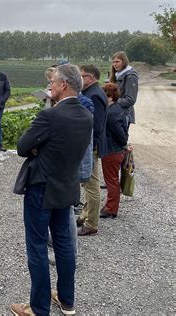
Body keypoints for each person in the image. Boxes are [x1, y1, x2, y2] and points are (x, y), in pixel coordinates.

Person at [11, 64, 93, 316]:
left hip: (41, 189)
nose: (50, 86)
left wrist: (39, 147)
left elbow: (23, 146)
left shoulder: (51, 116)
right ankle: (67, 302)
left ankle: (38, 308)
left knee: (36, 246)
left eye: (54, 82)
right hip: (67, 187)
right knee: (64, 245)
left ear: (64, 85)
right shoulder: (86, 116)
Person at [76, 65, 109, 236]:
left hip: (92, 147)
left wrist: (91, 148)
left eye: (82, 76)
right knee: (88, 183)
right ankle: (85, 215)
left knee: (91, 184)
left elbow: (95, 126)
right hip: (92, 146)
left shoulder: (94, 95)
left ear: (91, 77)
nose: (80, 80)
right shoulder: (92, 92)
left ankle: (91, 224)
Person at [100, 83, 129, 219]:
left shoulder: (111, 113)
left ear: (110, 96)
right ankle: (111, 207)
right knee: (113, 180)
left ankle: (111, 209)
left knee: (111, 181)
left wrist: (123, 144)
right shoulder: (117, 109)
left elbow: (119, 133)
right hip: (116, 150)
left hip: (112, 150)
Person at [109, 51, 139, 128]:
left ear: (124, 62)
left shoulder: (130, 76)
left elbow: (130, 100)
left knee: (121, 139)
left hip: (124, 114)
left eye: (117, 62)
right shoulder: (116, 75)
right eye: (113, 62)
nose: (115, 64)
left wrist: (112, 101)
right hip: (115, 113)